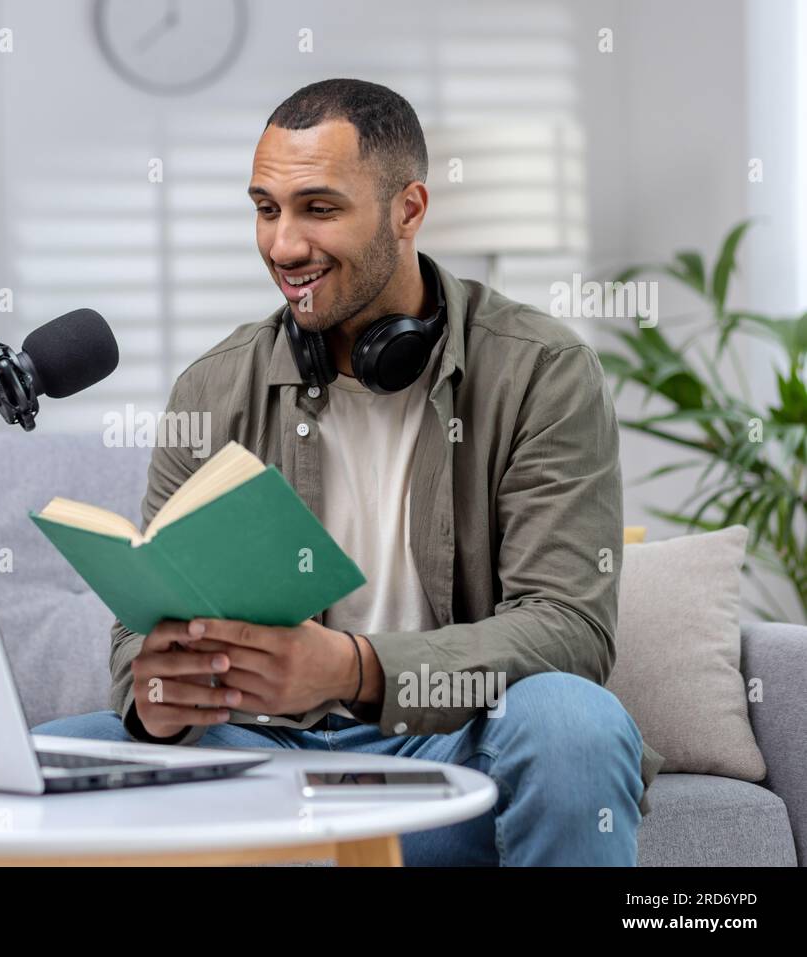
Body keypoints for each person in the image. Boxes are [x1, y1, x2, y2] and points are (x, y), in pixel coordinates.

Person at [33, 78, 662, 866]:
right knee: (38, 761)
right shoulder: (211, 386)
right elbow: (144, 625)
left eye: (318, 209)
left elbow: (571, 629)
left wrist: (355, 668)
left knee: (571, 721)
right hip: (259, 747)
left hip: (454, 745)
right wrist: (155, 697)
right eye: (266, 209)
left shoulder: (543, 371)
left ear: (409, 209)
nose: (283, 246)